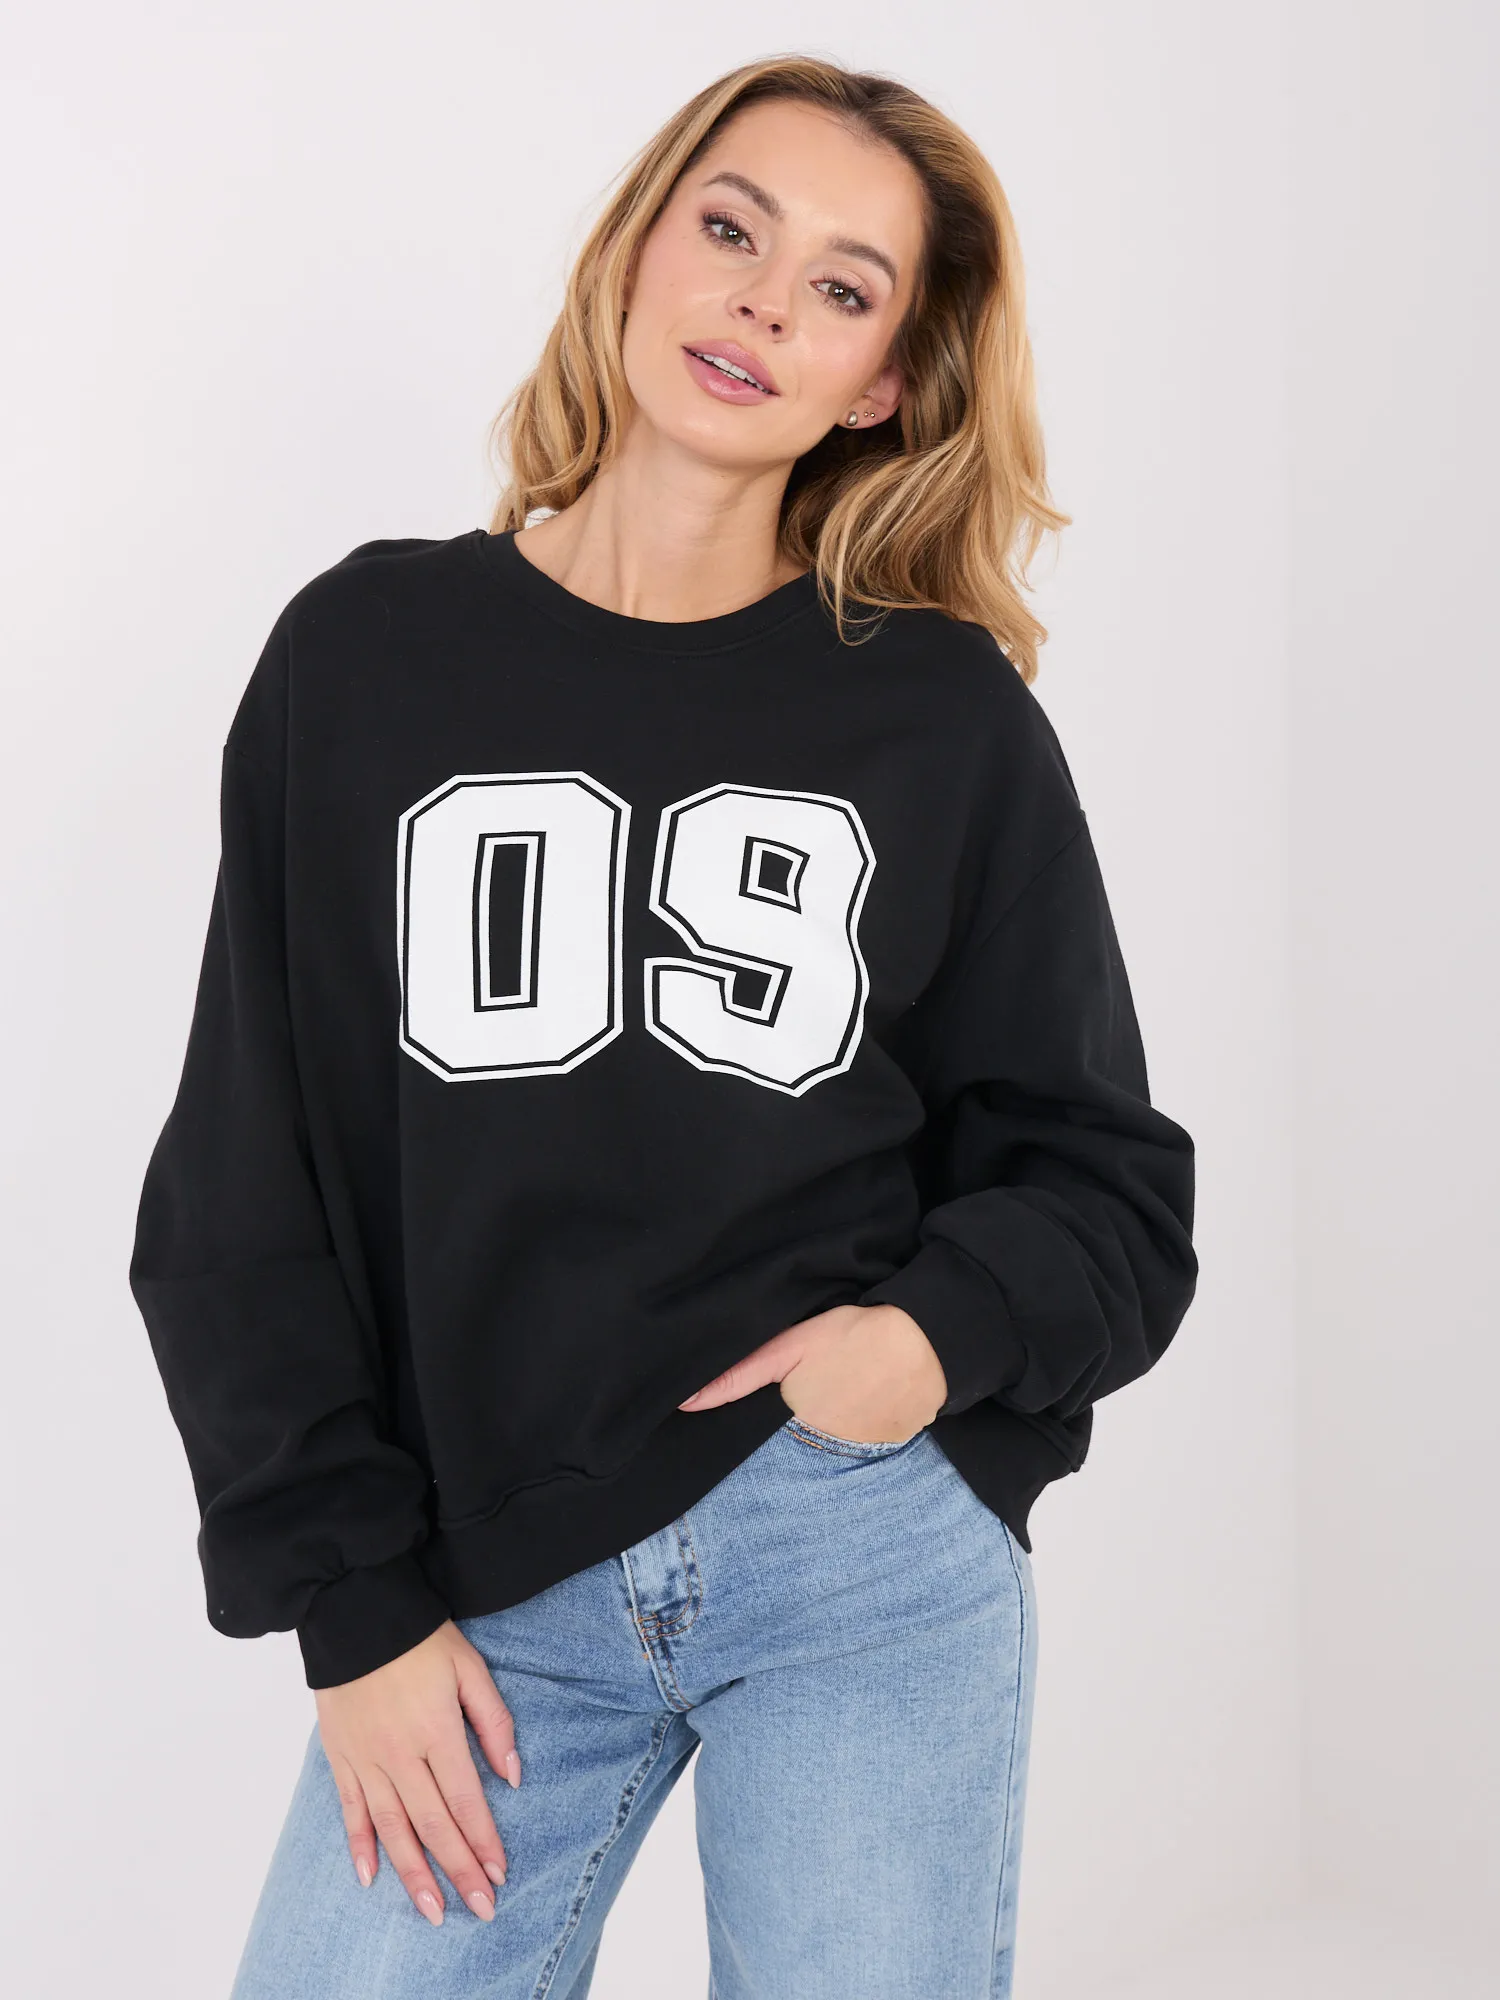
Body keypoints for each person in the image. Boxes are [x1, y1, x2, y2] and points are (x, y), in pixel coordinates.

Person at [129, 52, 1198, 2000]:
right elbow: (241, 1185)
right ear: (637, 248)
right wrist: (351, 1605)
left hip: (851, 1548)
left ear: (880, 382)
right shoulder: (364, 658)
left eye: (842, 288)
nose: (764, 305)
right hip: (480, 1568)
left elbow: (1108, 1183)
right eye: (731, 229)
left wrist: (917, 1347)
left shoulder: (943, 718)